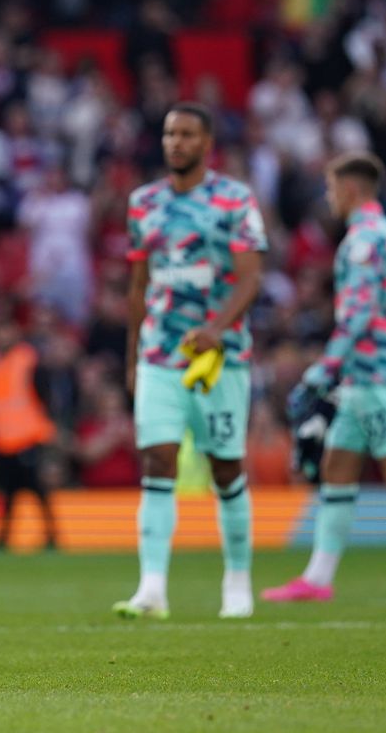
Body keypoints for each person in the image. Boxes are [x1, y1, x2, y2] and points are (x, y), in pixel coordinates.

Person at [114, 102, 267, 620]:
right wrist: (133, 357)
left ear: (207, 143)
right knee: (157, 461)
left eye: (186, 134)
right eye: (169, 133)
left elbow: (250, 277)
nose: (175, 142)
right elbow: (139, 287)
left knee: (226, 467)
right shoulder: (143, 203)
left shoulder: (235, 199)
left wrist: (217, 329)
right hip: (161, 354)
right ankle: (152, 587)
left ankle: (238, 581)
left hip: (221, 359)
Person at [264, 152, 386, 603]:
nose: (328, 198)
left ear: (349, 189)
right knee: (337, 468)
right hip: (368, 376)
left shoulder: (363, 241)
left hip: (376, 375)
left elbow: (360, 315)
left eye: (330, 189)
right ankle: (318, 579)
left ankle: (318, 578)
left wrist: (323, 369)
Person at [0, 319, 58, 549]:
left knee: (37, 489)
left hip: (28, 438)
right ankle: (5, 537)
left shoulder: (28, 359)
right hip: (2, 440)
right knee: (7, 492)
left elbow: (46, 396)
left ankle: (51, 535)